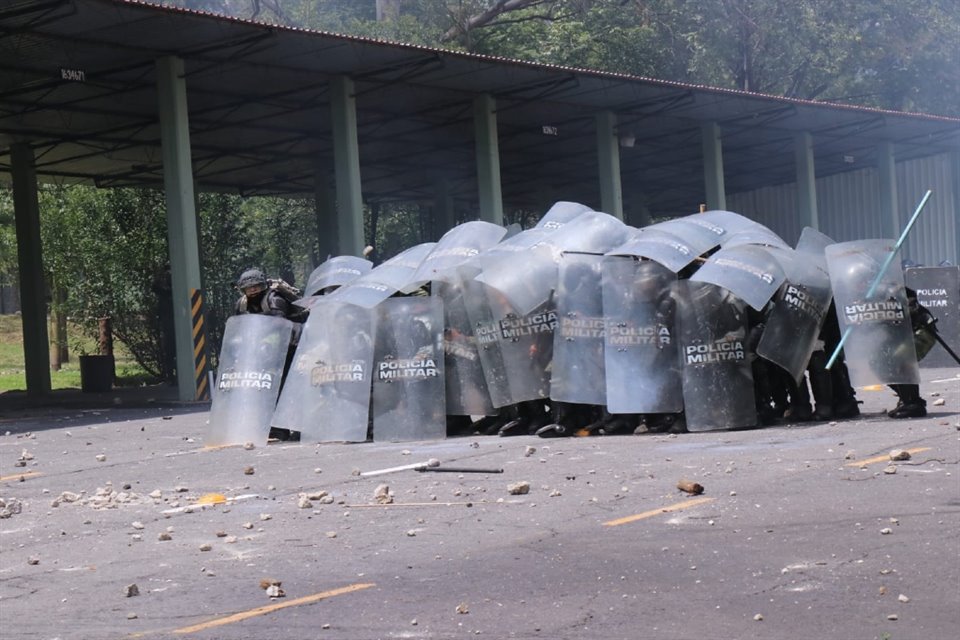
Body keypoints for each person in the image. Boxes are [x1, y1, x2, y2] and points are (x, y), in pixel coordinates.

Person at [233, 268, 303, 440]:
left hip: (294, 345)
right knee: (266, 387)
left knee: (291, 387)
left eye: (256, 286)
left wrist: (263, 343)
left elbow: (278, 326)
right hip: (266, 350)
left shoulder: (275, 300)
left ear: (262, 285)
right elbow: (239, 327)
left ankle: (300, 426)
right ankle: (278, 428)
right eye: (249, 288)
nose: (252, 290)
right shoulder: (241, 304)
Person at [887, 287, 937, 418]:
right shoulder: (868, 295)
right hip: (904, 335)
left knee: (899, 359)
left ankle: (913, 403)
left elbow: (911, 306)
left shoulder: (891, 288)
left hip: (921, 331)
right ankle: (906, 399)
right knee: (878, 363)